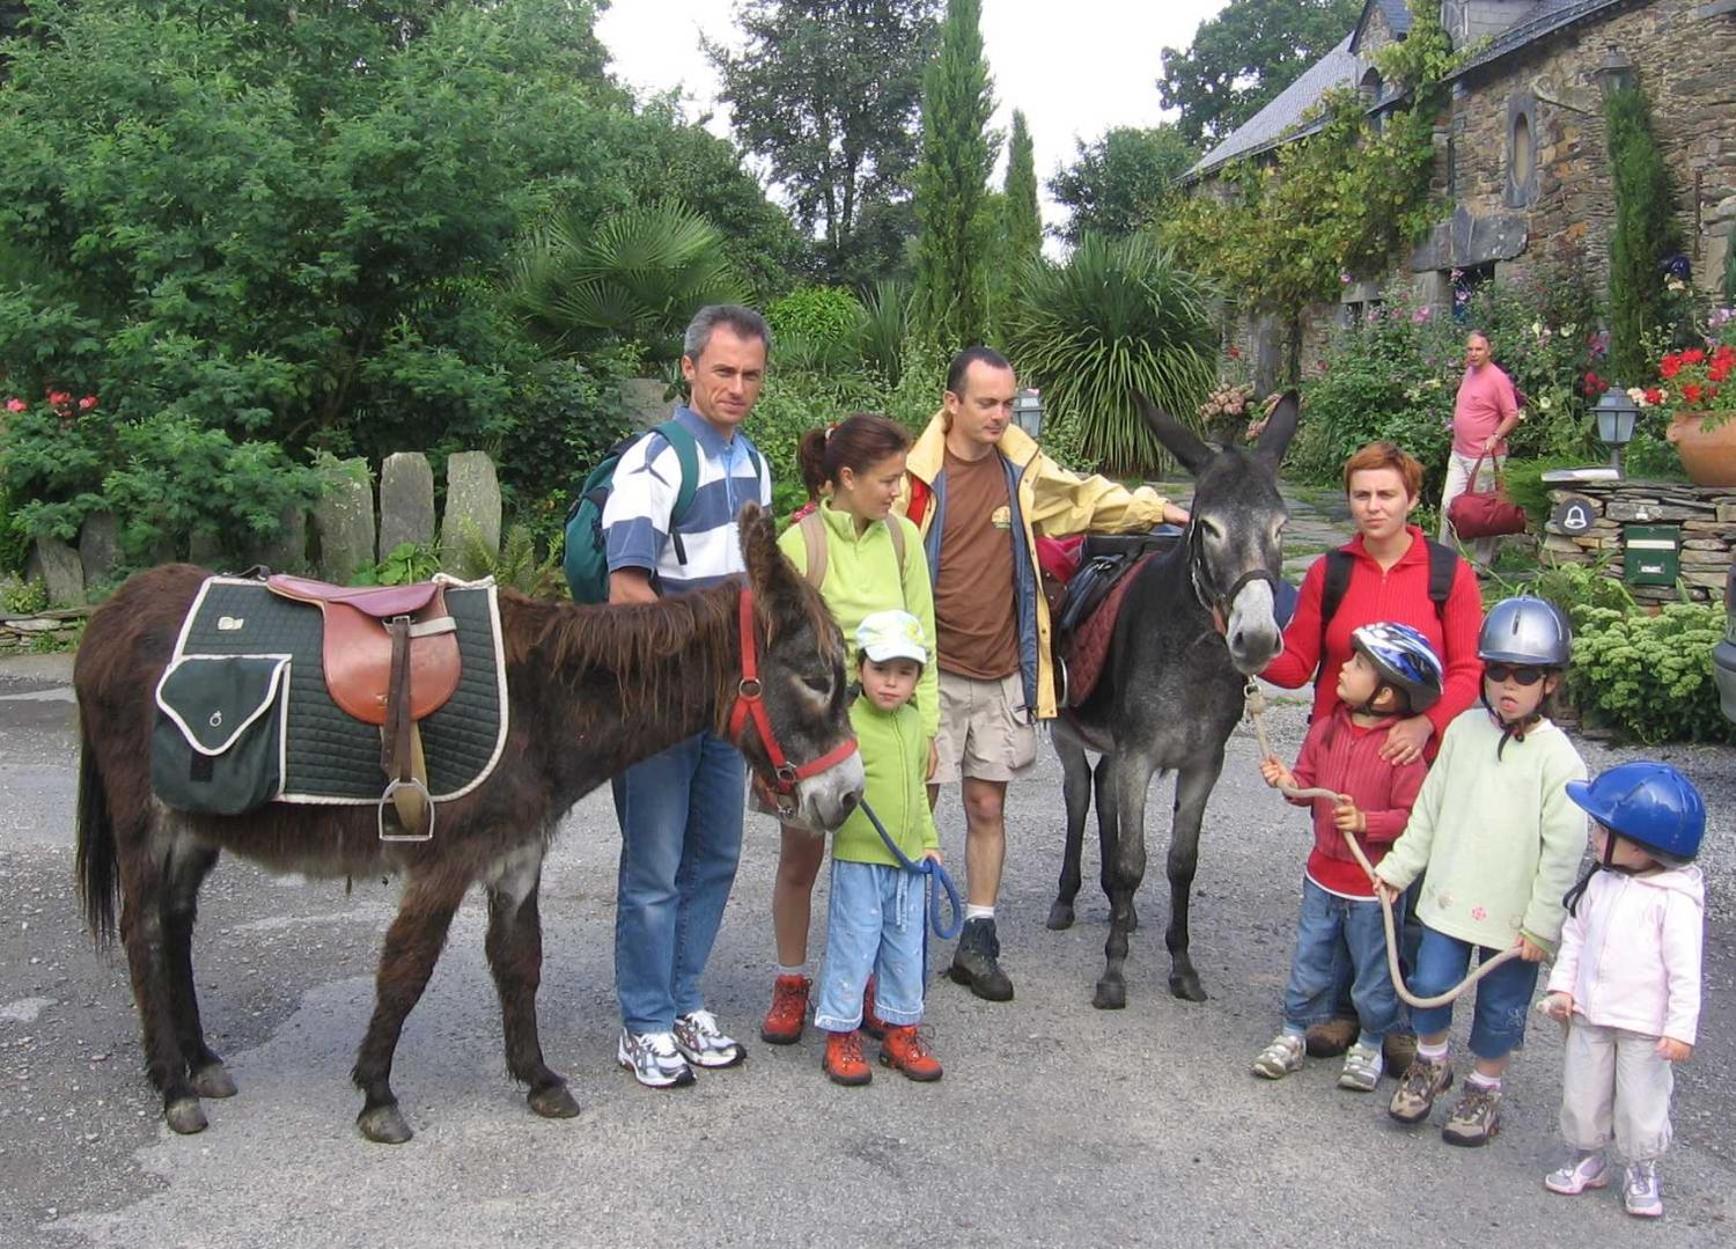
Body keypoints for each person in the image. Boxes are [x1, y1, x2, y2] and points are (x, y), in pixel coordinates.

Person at [896, 346, 1188, 1001]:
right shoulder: (915, 480)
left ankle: (978, 939)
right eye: (986, 403)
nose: (1000, 414)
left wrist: (1152, 509)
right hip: (930, 676)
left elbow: (1083, 500)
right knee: (920, 807)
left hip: (1002, 670)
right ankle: (901, 937)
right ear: (952, 404)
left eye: (1007, 402)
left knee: (986, 804)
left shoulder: (1021, 471)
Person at [1262, 441, 1484, 1060]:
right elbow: (1301, 660)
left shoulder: (1447, 574)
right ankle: (1338, 1011)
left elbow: (1469, 669)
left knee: (1405, 884)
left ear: (1413, 499)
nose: (1373, 506)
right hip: (1342, 751)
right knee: (1340, 878)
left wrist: (1426, 724)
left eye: (1386, 494)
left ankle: (1400, 1020)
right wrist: (1248, 650)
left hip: (1416, 761)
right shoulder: (1331, 572)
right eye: (1361, 495)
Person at [600, 304, 774, 1088]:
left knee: (717, 854)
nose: (737, 387)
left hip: (724, 706)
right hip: (661, 705)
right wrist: (689, 676)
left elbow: (754, 590)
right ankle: (642, 1020)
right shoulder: (655, 461)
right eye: (723, 371)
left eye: (750, 375)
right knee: (654, 864)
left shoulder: (758, 466)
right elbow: (627, 592)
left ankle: (683, 998)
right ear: (689, 368)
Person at [1372, 597, 1588, 1146]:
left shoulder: (1558, 758)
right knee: (1430, 985)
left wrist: (1542, 924)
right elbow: (1429, 809)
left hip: (1513, 919)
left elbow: (1565, 850)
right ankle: (1431, 1063)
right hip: (1448, 897)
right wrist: (1398, 867)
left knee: (1501, 1007)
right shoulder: (1464, 733)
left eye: (1525, 674)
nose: (1507, 685)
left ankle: (1485, 1086)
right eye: (1496, 671)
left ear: (1551, 684)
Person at [761, 414, 935, 1046]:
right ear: (845, 477)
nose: (899, 491)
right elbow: (776, 657)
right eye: (888, 480)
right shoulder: (798, 546)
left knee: (884, 864)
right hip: (819, 734)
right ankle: (791, 982)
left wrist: (928, 731)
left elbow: (925, 636)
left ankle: (865, 982)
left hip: (894, 726)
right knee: (801, 860)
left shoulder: (903, 541)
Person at [1253, 624, 1441, 1091]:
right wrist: (1287, 781)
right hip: (1322, 877)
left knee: (1375, 968)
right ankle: (1294, 1030)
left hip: (1372, 886)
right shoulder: (1325, 731)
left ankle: (1373, 1042)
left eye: (1359, 665)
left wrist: (1368, 824)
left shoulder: (1402, 754)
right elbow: (1305, 788)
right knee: (1311, 959)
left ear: (1385, 694)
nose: (1344, 668)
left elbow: (1413, 818)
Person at [1541, 762, 1705, 1219]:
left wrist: (1679, 1029)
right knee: (1583, 1092)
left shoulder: (1674, 900)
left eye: (1603, 830)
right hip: (1590, 1014)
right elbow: (1575, 935)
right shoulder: (1600, 881)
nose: (1594, 838)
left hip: (1644, 1026)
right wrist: (1563, 988)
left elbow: (1685, 970)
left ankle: (1642, 1166)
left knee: (1641, 1100)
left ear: (1641, 842)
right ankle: (1586, 1155)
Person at [813, 610, 947, 1086]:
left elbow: (917, 786)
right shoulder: (848, 724)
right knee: (854, 945)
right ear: (860, 669)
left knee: (905, 949)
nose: (891, 683)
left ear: (918, 679)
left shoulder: (913, 726)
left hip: (908, 862)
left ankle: (901, 1028)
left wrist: (928, 842)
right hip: (860, 860)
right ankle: (841, 1034)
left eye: (904, 673)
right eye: (881, 670)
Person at [1441, 330, 1522, 574]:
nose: (1473, 354)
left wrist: (1495, 437)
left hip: (1485, 457)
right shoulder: (1469, 372)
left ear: (1489, 351)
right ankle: (1445, 562)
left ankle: (1481, 565)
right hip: (1460, 453)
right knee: (1448, 505)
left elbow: (1512, 414)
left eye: (1478, 349)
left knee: (1485, 512)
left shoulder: (1497, 379)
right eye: (1470, 349)